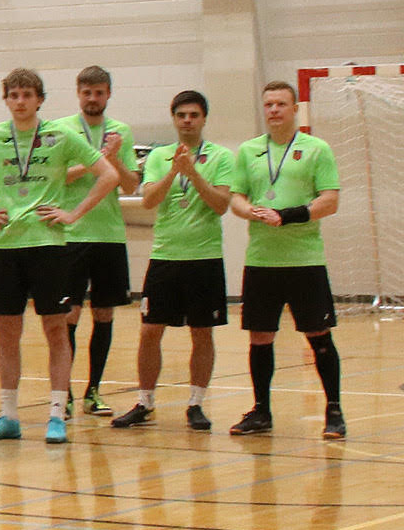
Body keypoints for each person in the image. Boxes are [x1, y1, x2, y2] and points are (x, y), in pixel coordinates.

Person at [0, 69, 115, 446]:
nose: (21, 101)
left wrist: (73, 214)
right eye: (14, 95)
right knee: (7, 334)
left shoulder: (61, 137)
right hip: (9, 248)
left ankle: (57, 414)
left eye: (28, 94)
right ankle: (8, 415)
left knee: (56, 330)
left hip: (50, 248)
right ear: (7, 100)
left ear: (40, 99)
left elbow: (106, 175)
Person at [227, 81, 345, 439]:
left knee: (318, 335)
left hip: (304, 260)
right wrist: (252, 212)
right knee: (260, 336)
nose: (274, 110)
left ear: (295, 109)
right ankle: (261, 410)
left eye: (281, 104)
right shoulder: (248, 151)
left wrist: (287, 215)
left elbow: (330, 200)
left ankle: (334, 411)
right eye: (269, 104)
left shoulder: (316, 149)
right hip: (262, 260)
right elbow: (236, 198)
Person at [113, 92, 234, 431]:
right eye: (181, 115)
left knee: (202, 332)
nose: (187, 120)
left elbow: (221, 204)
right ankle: (145, 402)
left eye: (194, 115)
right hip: (166, 256)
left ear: (204, 118)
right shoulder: (159, 155)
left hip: (204, 257)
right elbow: (149, 199)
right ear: (173, 118)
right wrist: (174, 172)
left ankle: (195, 404)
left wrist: (193, 174)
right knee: (150, 330)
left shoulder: (221, 156)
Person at [62, 66, 138, 415]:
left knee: (104, 314)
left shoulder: (120, 131)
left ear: (108, 94)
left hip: (108, 235)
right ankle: (62, 393)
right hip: (73, 235)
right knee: (69, 315)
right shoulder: (62, 130)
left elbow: (130, 186)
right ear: (78, 94)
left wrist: (115, 158)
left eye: (99, 92)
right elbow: (58, 177)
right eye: (87, 92)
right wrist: (99, 161)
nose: (93, 98)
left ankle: (93, 391)